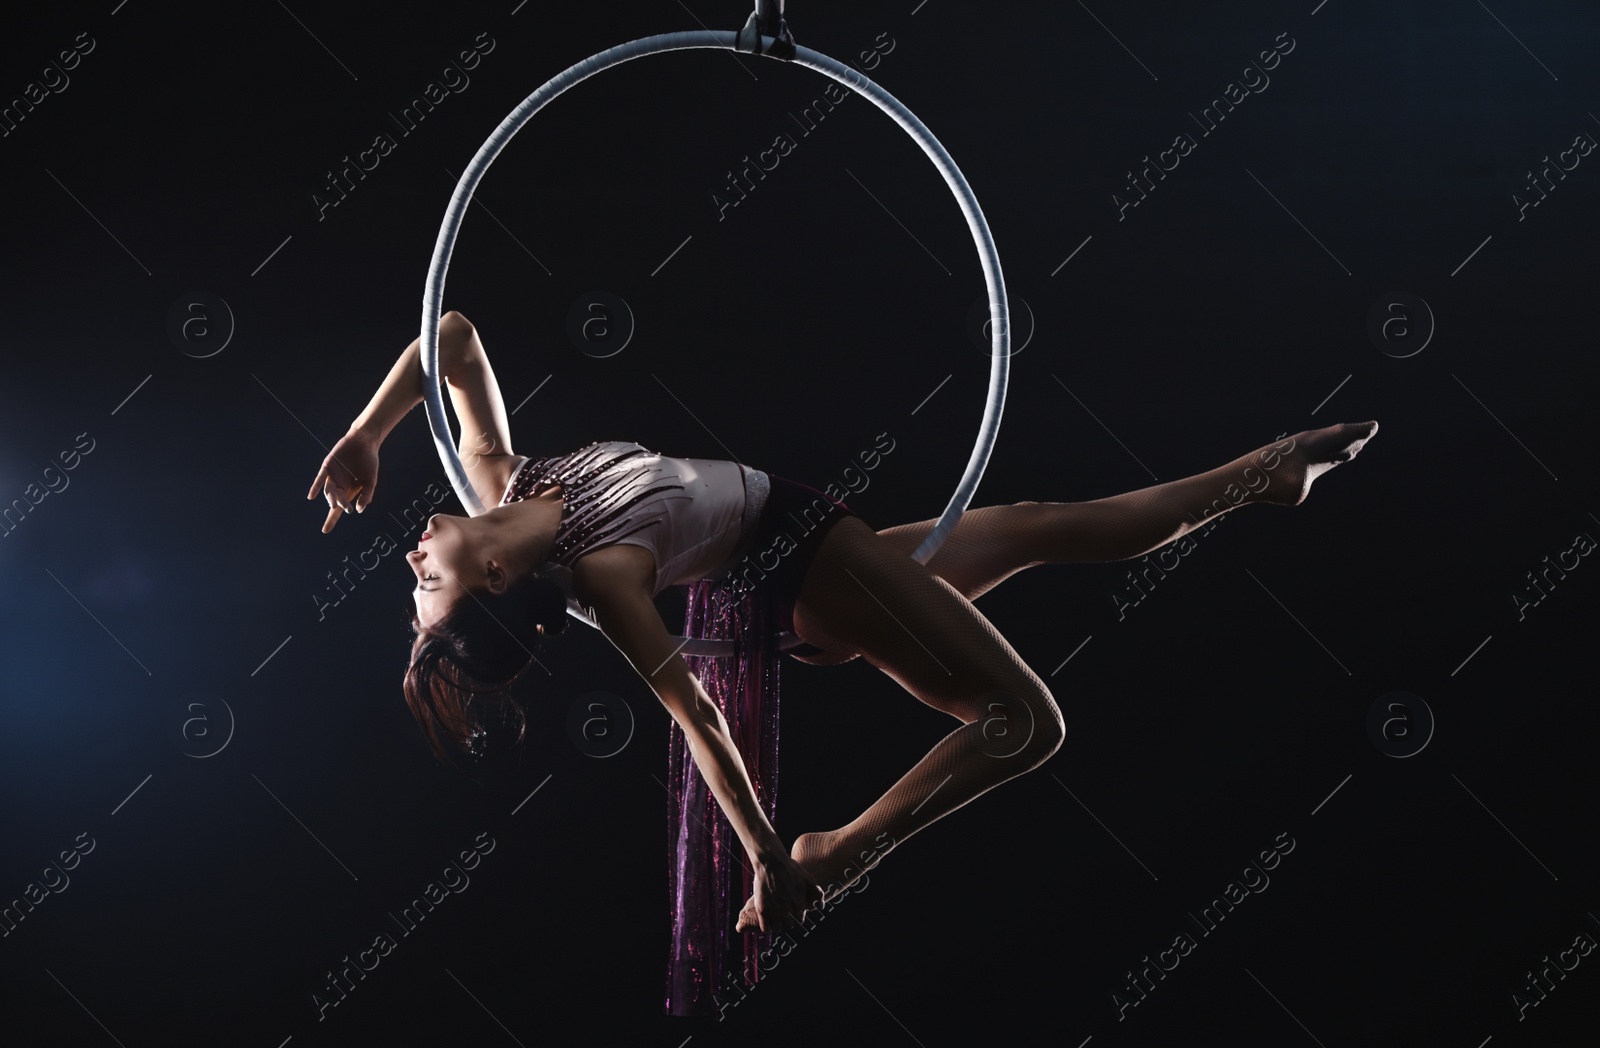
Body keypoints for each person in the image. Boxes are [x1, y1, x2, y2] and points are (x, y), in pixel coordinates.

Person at [307, 310, 1379, 936]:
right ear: (488, 584)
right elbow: (698, 723)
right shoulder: (608, 577)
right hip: (807, 566)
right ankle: (848, 849)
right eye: (419, 597)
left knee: (1035, 523)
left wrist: (363, 436)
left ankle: (1263, 476)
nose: (405, 564)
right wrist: (773, 860)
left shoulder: (506, 478)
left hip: (811, 554)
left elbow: (450, 337)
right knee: (1029, 721)